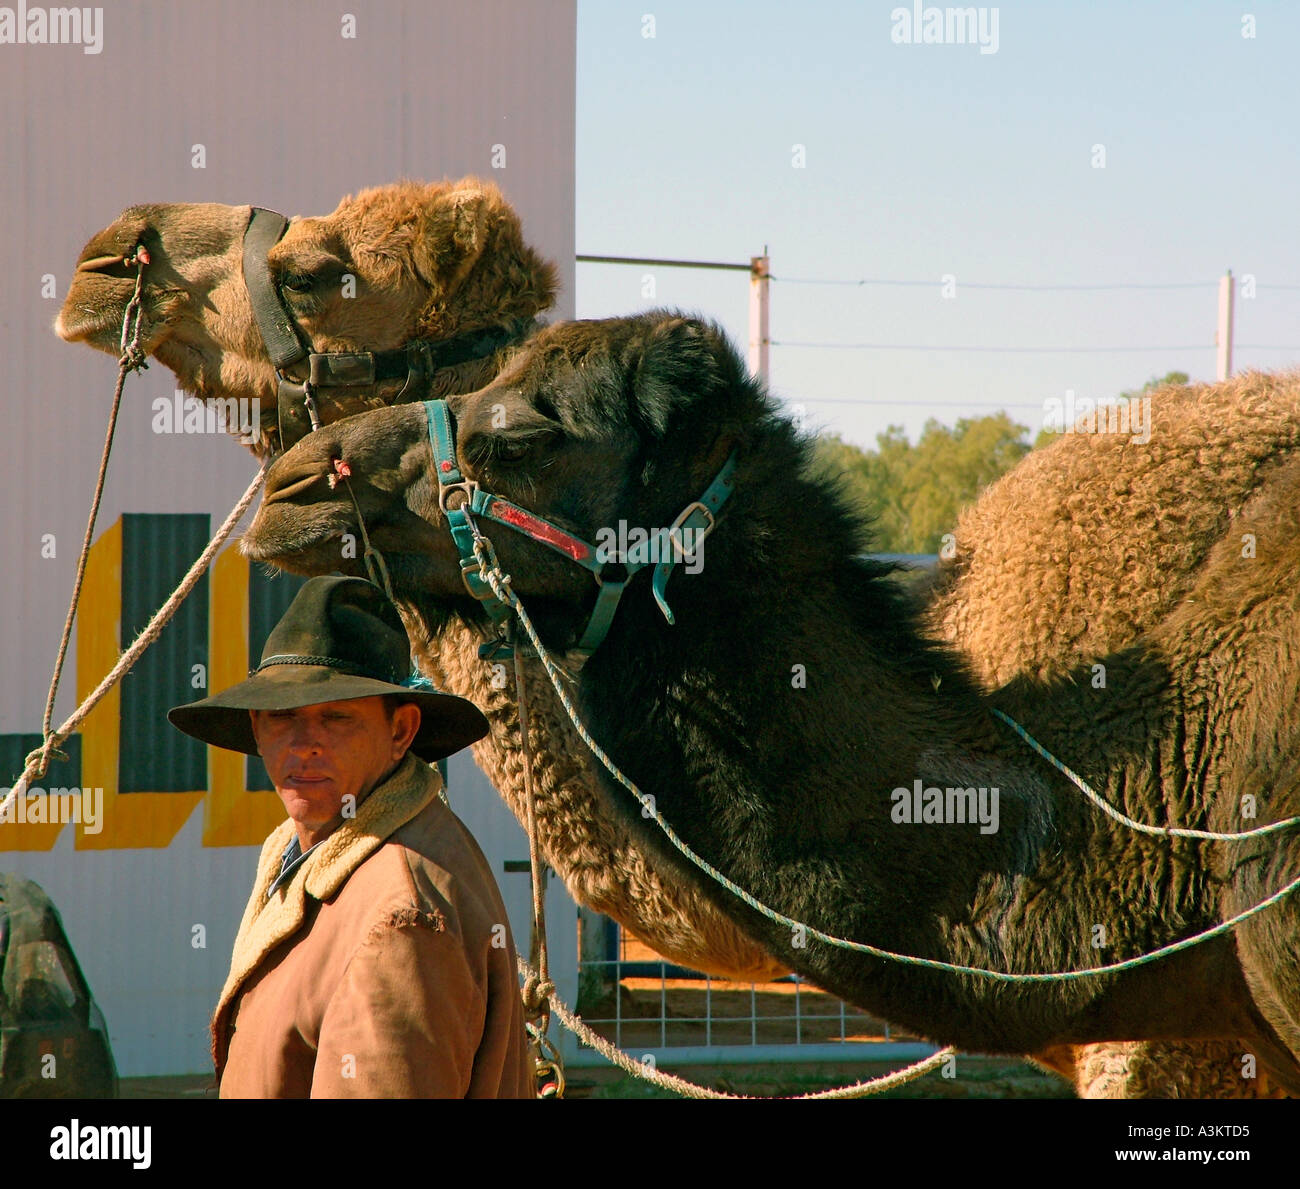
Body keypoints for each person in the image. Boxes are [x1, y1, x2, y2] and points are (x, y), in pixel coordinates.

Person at [167, 575, 533, 1098]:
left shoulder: (399, 917)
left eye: (335, 717)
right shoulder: (315, 856)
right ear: (255, 726)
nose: (303, 744)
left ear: (401, 731)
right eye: (281, 717)